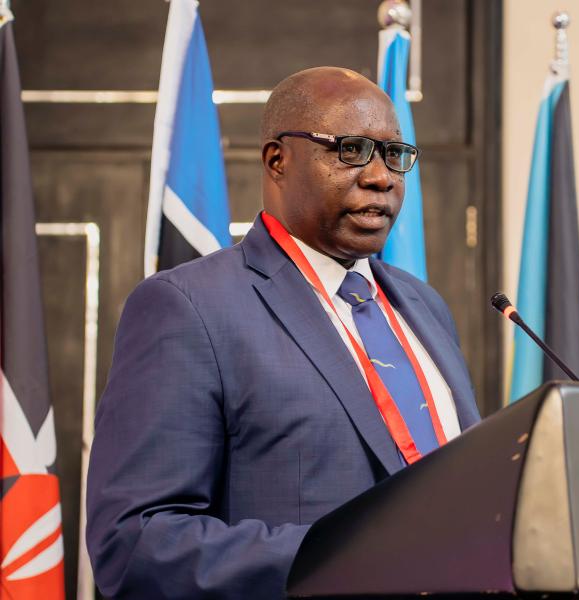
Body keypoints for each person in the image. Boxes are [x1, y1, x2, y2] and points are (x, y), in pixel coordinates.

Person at [86, 67, 480, 600]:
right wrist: (354, 557)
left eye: (394, 155)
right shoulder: (189, 308)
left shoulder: (424, 307)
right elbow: (134, 544)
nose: (381, 177)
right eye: (350, 149)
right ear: (277, 160)